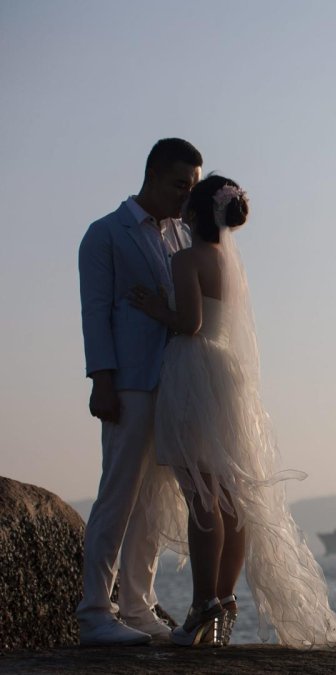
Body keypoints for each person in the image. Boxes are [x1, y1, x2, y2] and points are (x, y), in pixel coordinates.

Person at [130, 175, 336, 653]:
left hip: (194, 371)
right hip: (230, 377)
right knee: (231, 499)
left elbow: (190, 323)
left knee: (202, 494)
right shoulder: (228, 263)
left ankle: (201, 608)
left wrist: (154, 306)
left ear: (196, 215)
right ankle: (223, 602)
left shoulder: (185, 258)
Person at [77, 138, 201, 646]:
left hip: (171, 383)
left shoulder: (183, 236)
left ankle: (137, 603)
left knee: (155, 499)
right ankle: (93, 611)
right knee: (118, 494)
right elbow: (94, 312)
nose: (185, 196)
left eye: (192, 187)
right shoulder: (105, 234)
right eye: (179, 185)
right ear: (151, 176)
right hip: (127, 382)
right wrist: (101, 380)